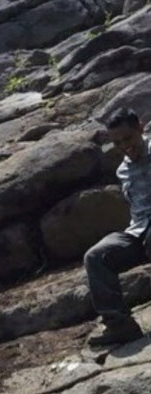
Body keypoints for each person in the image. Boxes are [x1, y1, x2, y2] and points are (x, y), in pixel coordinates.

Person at [84, 107, 151, 345]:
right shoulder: (123, 170)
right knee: (96, 256)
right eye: (117, 143)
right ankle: (120, 325)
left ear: (141, 129)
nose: (125, 146)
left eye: (129, 138)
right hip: (138, 231)